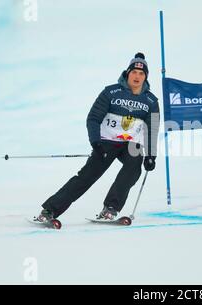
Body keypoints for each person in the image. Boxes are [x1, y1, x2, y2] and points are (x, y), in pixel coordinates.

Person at [37, 52, 160, 223]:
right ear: (127, 73)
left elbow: (152, 129)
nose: (137, 76)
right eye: (134, 72)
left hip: (130, 145)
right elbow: (93, 118)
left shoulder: (151, 101)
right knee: (86, 177)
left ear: (145, 77)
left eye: (141, 73)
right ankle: (49, 211)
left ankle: (111, 208)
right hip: (106, 143)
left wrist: (151, 155)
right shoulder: (111, 92)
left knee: (134, 166)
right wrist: (96, 142)